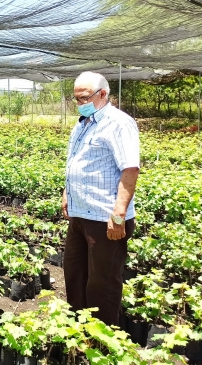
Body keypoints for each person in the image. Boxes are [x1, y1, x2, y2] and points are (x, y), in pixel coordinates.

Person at [62, 71, 140, 327]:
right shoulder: (82, 123)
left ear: (103, 94)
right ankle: (78, 328)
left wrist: (118, 215)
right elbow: (75, 162)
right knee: (74, 273)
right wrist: (66, 193)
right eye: (76, 99)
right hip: (80, 214)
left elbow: (129, 169)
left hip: (104, 217)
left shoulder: (118, 123)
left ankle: (102, 337)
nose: (79, 103)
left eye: (83, 98)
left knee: (103, 280)